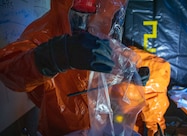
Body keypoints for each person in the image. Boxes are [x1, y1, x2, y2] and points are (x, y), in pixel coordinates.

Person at [0, 0, 171, 136]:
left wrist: (130, 84)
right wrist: (57, 54)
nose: (91, 24)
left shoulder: (115, 39)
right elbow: (11, 73)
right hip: (62, 129)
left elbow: (126, 96)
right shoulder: (45, 34)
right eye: (83, 14)